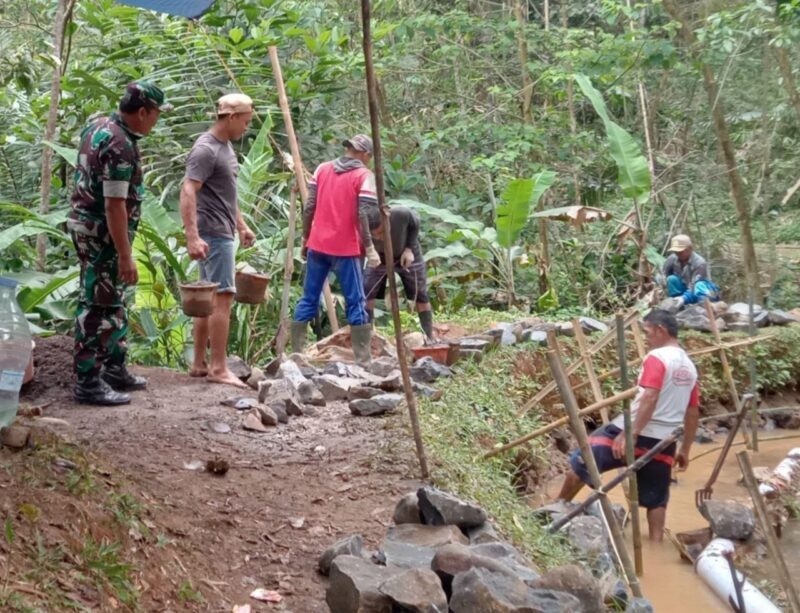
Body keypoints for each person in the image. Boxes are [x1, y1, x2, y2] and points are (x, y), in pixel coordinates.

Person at [68, 80, 172, 405]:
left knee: (113, 298)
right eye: (156, 114)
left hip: (90, 227)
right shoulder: (119, 145)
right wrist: (126, 254)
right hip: (102, 234)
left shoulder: (99, 126)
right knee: (97, 304)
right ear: (142, 112)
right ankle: (88, 382)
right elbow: (114, 204)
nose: (156, 121)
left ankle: (114, 367)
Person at [556, 309, 700, 542]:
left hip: (636, 432)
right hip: (664, 441)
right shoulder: (689, 366)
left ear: (660, 330)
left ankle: (556, 508)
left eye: (647, 332)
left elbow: (650, 396)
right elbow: (692, 412)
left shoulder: (657, 358)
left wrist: (631, 433)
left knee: (583, 460)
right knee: (657, 497)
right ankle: (655, 544)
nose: (645, 337)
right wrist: (685, 449)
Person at [180, 93, 256, 388]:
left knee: (207, 299)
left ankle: (199, 364)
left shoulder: (224, 148)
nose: (246, 129)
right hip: (212, 233)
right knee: (223, 297)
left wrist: (242, 225)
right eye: (246, 122)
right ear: (232, 117)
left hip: (222, 229)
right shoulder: (206, 149)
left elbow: (226, 193)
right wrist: (192, 236)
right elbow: (188, 190)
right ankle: (219, 367)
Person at [291, 134, 380, 364]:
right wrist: (369, 248)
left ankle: (297, 354)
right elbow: (363, 214)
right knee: (356, 300)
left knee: (308, 297)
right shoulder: (364, 176)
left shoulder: (322, 169)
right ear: (365, 154)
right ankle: (363, 359)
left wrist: (305, 237)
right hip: (346, 247)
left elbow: (309, 206)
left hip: (318, 245)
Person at [364, 206, 434, 341]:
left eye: (382, 232)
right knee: (367, 289)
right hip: (379, 257)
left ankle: (428, 336)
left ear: (387, 221)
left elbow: (415, 223)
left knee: (420, 293)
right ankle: (369, 337)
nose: (379, 237)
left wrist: (409, 248)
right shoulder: (362, 224)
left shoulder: (400, 213)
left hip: (407, 252)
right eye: (375, 235)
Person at [662, 234, 719, 304]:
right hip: (682, 289)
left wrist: (684, 298)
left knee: (699, 285)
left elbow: (695, 284)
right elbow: (664, 274)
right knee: (671, 279)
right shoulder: (672, 259)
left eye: (681, 251)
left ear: (690, 248)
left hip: (698, 291)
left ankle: (701, 306)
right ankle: (676, 302)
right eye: (676, 252)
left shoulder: (700, 263)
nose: (678, 253)